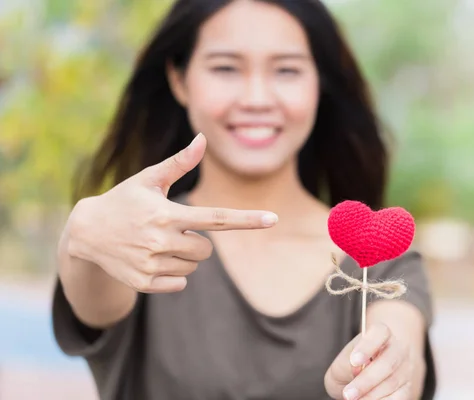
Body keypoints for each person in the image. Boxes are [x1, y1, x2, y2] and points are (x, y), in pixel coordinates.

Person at [52, 0, 437, 399]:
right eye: (225, 68)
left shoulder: (381, 258)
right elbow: (92, 289)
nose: (256, 98)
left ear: (318, 82)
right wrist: (82, 235)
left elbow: (402, 344)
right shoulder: (137, 242)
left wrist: (391, 371)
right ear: (179, 80)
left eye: (286, 70)